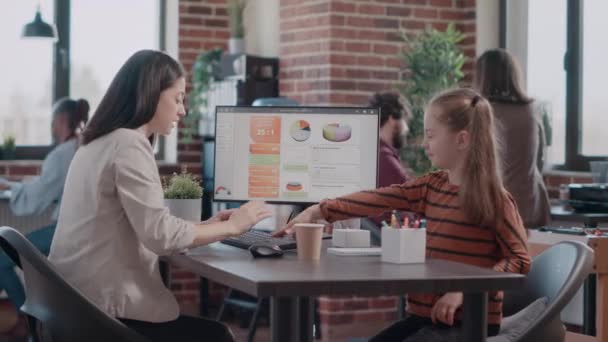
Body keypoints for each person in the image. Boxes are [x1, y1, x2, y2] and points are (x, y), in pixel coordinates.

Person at [48, 50, 272, 342]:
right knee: (218, 336)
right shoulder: (129, 144)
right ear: (151, 94)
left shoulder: (98, 143)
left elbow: (140, 224)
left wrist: (207, 226)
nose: (183, 110)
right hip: (103, 316)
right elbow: (160, 236)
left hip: (72, 309)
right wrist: (233, 226)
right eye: (178, 98)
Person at [276, 88, 531, 341]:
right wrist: (319, 210)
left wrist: (466, 291)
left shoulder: (495, 198)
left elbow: (519, 259)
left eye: (430, 135)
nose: (423, 143)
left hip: (470, 324)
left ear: (461, 140)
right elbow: (379, 198)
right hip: (424, 317)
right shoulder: (431, 186)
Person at [0, 97, 89, 337]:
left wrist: (7, 186)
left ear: (60, 120)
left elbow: (38, 196)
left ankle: (27, 322)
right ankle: (27, 321)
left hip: (65, 231)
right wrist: (14, 184)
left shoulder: (61, 154)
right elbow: (47, 187)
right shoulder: (78, 148)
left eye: (52, 121)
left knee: (0, 258)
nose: (51, 126)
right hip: (78, 229)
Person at [475, 48, 551, 228]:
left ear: (483, 77)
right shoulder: (533, 110)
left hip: (495, 209)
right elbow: (540, 162)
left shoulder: (482, 112)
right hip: (532, 206)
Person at [371, 92, 411, 187]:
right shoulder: (384, 158)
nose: (407, 129)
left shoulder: (374, 152)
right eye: (405, 121)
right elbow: (415, 195)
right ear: (392, 118)